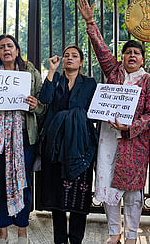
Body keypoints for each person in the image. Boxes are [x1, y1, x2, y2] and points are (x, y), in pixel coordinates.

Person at [77, 0, 150, 244]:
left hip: (134, 144)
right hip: (108, 140)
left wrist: (131, 127)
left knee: (133, 193)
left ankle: (132, 235)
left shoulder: (149, 83)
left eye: (136, 53)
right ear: (122, 57)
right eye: (128, 53)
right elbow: (101, 49)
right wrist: (90, 22)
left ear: (143, 59)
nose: (132, 56)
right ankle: (114, 233)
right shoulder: (113, 73)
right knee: (110, 190)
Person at [0, 34, 46, 244]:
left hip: (23, 138)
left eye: (10, 46)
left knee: (22, 183)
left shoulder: (31, 73)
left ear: (17, 50)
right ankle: (3, 229)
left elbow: (43, 105)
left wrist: (37, 106)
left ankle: (22, 229)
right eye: (1, 47)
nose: (6, 49)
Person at [39, 46, 98, 244]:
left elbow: (95, 111)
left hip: (80, 144)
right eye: (66, 56)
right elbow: (45, 99)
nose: (69, 59)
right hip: (56, 144)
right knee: (57, 196)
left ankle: (76, 239)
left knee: (79, 194)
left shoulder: (89, 83)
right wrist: (52, 71)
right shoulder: (54, 79)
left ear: (81, 62)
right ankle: (60, 240)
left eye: (74, 56)